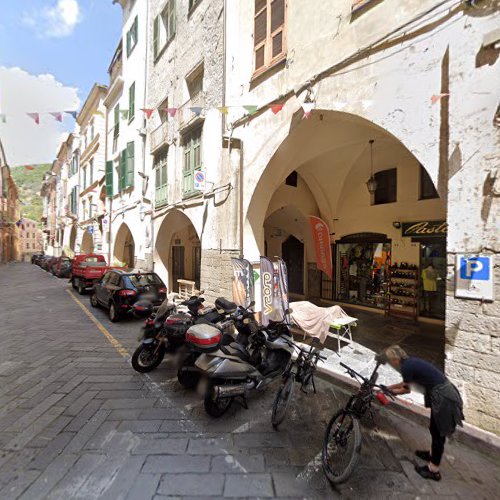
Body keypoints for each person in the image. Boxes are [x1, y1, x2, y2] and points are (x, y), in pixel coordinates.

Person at [379, 345, 464, 481]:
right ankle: (432, 455)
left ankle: (433, 470)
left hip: (444, 397)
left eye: (390, 361)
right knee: (433, 429)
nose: (390, 364)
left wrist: (390, 392)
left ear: (395, 359)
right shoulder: (409, 363)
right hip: (443, 393)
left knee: (438, 434)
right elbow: (405, 382)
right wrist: (389, 387)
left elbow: (406, 390)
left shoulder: (406, 367)